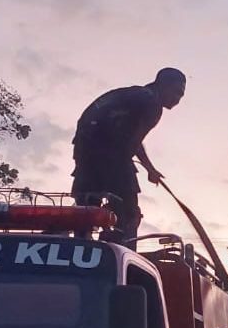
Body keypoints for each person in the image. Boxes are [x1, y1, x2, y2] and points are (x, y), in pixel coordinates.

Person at [71, 68, 187, 241]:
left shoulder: (136, 95)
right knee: (128, 211)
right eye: (176, 92)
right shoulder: (152, 104)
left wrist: (150, 168)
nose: (177, 100)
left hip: (84, 147)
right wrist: (147, 170)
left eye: (181, 96)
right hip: (104, 148)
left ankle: (82, 240)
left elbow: (132, 138)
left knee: (87, 205)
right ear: (163, 84)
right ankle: (117, 248)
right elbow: (131, 142)